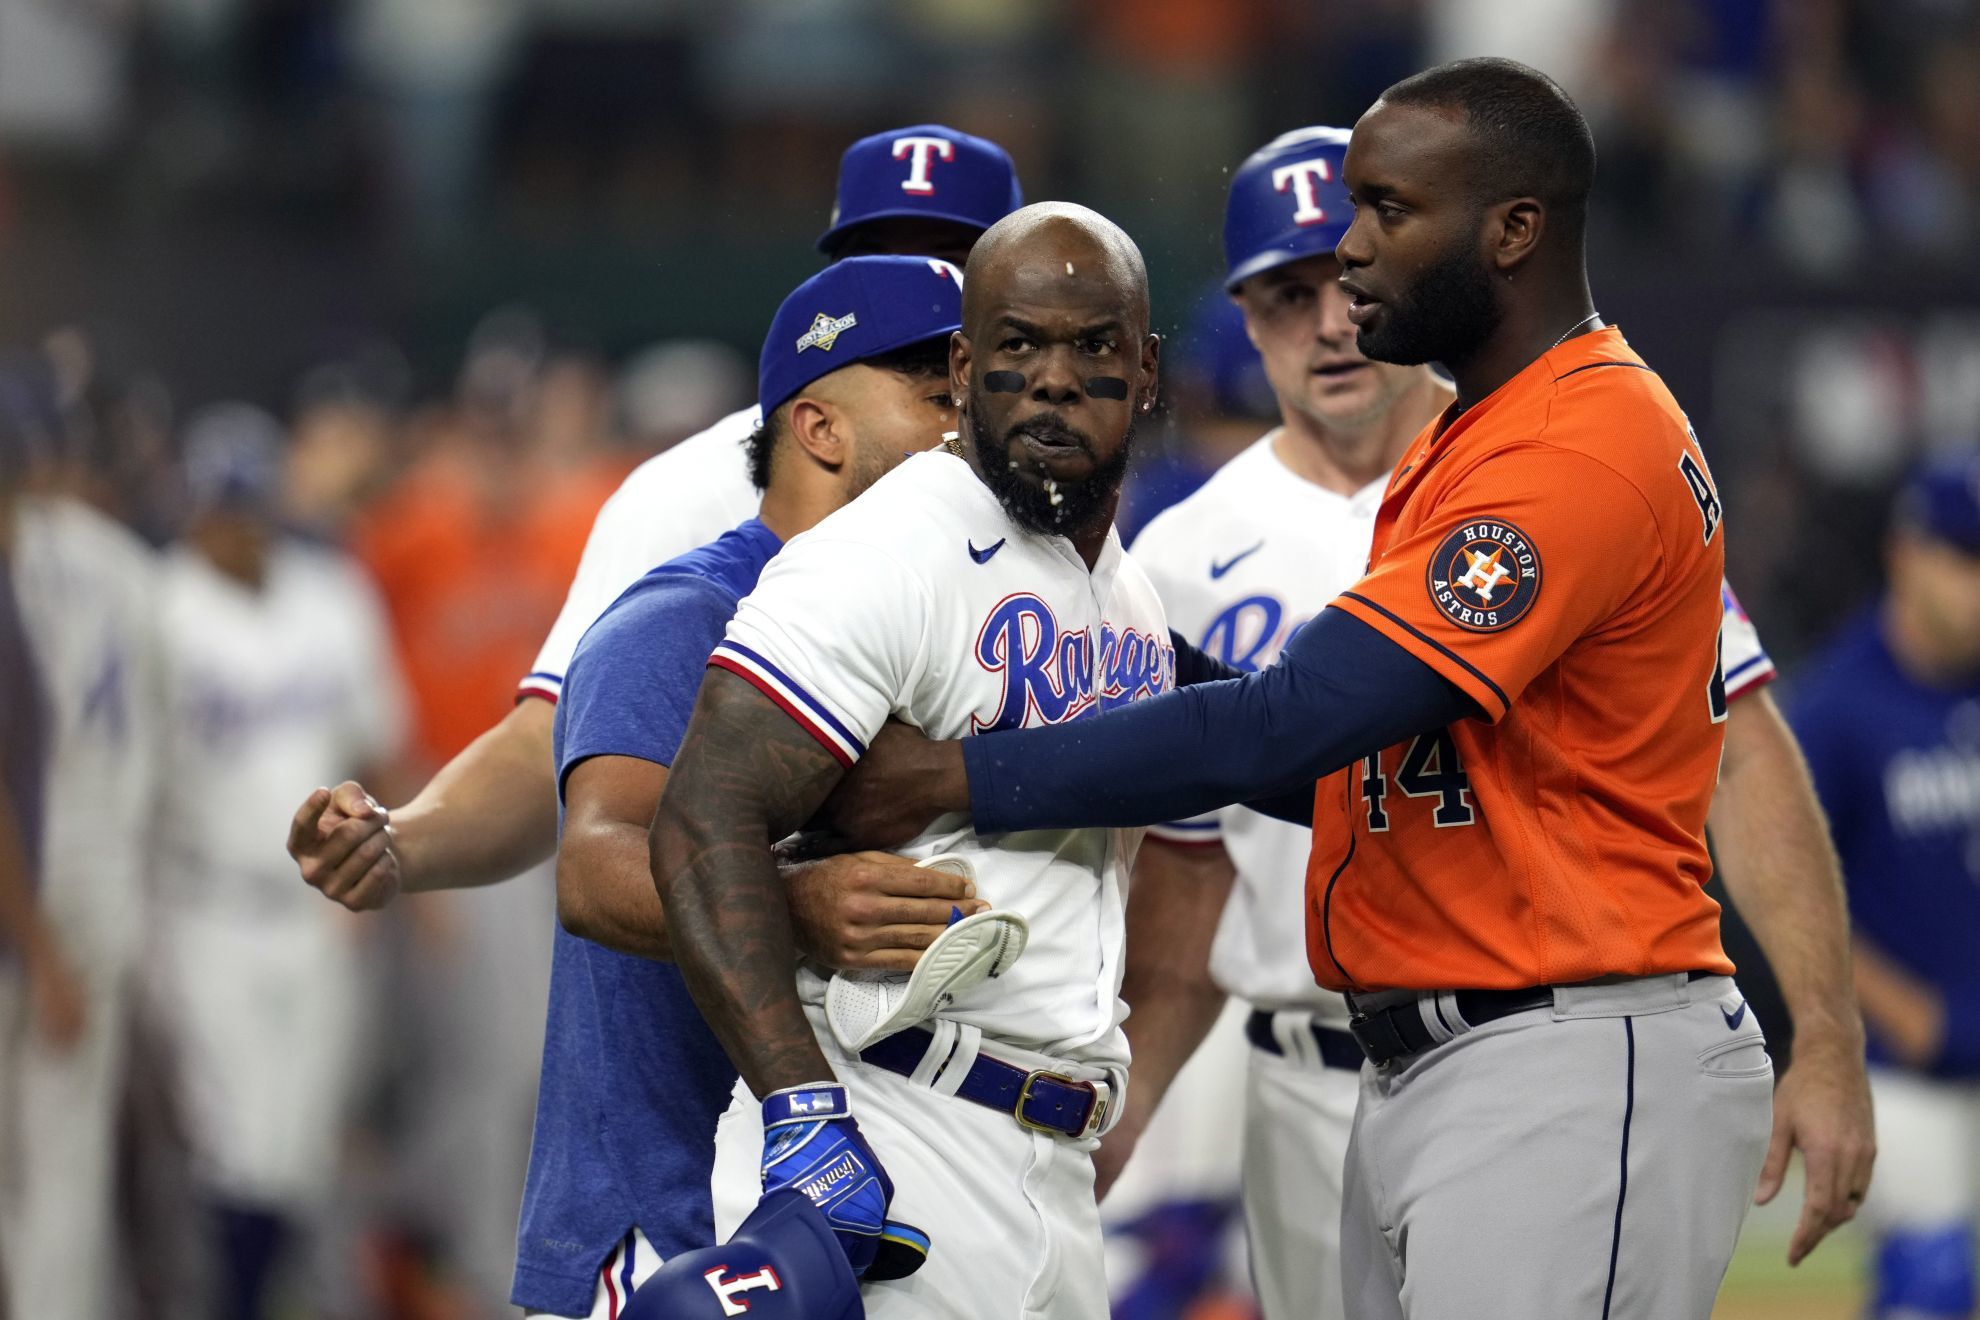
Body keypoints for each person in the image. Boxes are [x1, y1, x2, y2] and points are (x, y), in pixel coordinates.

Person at [819, 60, 1861, 1318]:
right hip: (1444, 1056)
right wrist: (1105, 654)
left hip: (1569, 1053)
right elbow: (1350, 774)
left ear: (1514, 231)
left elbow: (1289, 724)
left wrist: (953, 774)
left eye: (1386, 213)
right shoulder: (1478, 435)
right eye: (1314, 255)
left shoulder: (1580, 446)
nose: (1353, 250)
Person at [1109, 125, 1874, 1316]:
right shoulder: (1183, 550)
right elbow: (1189, 885)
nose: (1325, 319)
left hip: (1540, 1042)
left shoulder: (1547, 465)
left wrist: (1824, 1030)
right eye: (1282, 293)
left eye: (1340, 275)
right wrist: (1131, 1107)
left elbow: (1741, 756)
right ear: (1245, 320)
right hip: (1308, 1077)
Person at [650, 202, 1172, 1318]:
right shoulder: (889, 551)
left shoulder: (1124, 584)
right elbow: (702, 821)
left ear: (1148, 370)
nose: (1053, 379)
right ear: (964, 365)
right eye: (1018, 348)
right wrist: (800, 1109)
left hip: (1054, 1161)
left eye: (1093, 348)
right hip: (894, 1120)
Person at [289, 122, 1022, 908]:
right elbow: (555, 739)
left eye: (957, 256)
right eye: (886, 254)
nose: (928, 281)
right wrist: (407, 842)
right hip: (731, 979)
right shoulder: (693, 490)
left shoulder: (1065, 499)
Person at [515, 256, 978, 1318]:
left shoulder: (937, 613)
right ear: (819, 429)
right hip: (672, 1224)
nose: (968, 427)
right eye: (934, 394)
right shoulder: (681, 616)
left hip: (843, 1203)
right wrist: (797, 908)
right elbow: (593, 869)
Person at [151, 407, 409, 1319]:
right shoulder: (161, 607)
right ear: (195, 513)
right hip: (202, 906)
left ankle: (264, 1297)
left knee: (298, 1141)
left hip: (316, 910)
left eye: (251, 507)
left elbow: (378, 748)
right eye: (224, 510)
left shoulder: (330, 592)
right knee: (231, 1140)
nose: (240, 527)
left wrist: (383, 878)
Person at [1788, 458, 1980, 1320]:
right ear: (1908, 553)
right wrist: (1907, 1014)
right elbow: (1784, 895)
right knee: (1932, 1281)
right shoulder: (1836, 706)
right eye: (1966, 559)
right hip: (1904, 1069)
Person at [0, 356, 160, 1320]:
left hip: (35, 889)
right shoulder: (125, 561)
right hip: (100, 876)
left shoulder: (31, 558)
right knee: (63, 1163)